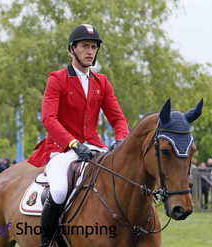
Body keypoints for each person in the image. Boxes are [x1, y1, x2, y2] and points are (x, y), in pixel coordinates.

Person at [26, 24, 129, 246]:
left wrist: (121, 139)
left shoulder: (102, 82)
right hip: (62, 150)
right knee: (61, 190)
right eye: (85, 46)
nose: (90, 51)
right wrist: (72, 143)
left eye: (93, 47)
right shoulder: (58, 78)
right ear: (72, 49)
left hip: (94, 147)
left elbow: (118, 119)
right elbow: (48, 119)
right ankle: (47, 242)